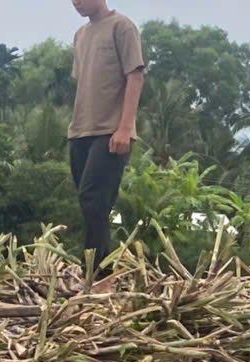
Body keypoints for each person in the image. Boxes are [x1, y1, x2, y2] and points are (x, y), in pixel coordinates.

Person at [68, 0, 146, 274]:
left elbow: (135, 77)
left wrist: (125, 128)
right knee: (90, 205)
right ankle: (98, 270)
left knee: (94, 198)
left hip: (111, 131)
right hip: (80, 131)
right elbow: (85, 82)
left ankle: (98, 274)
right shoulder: (80, 35)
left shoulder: (122, 27)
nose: (76, 2)